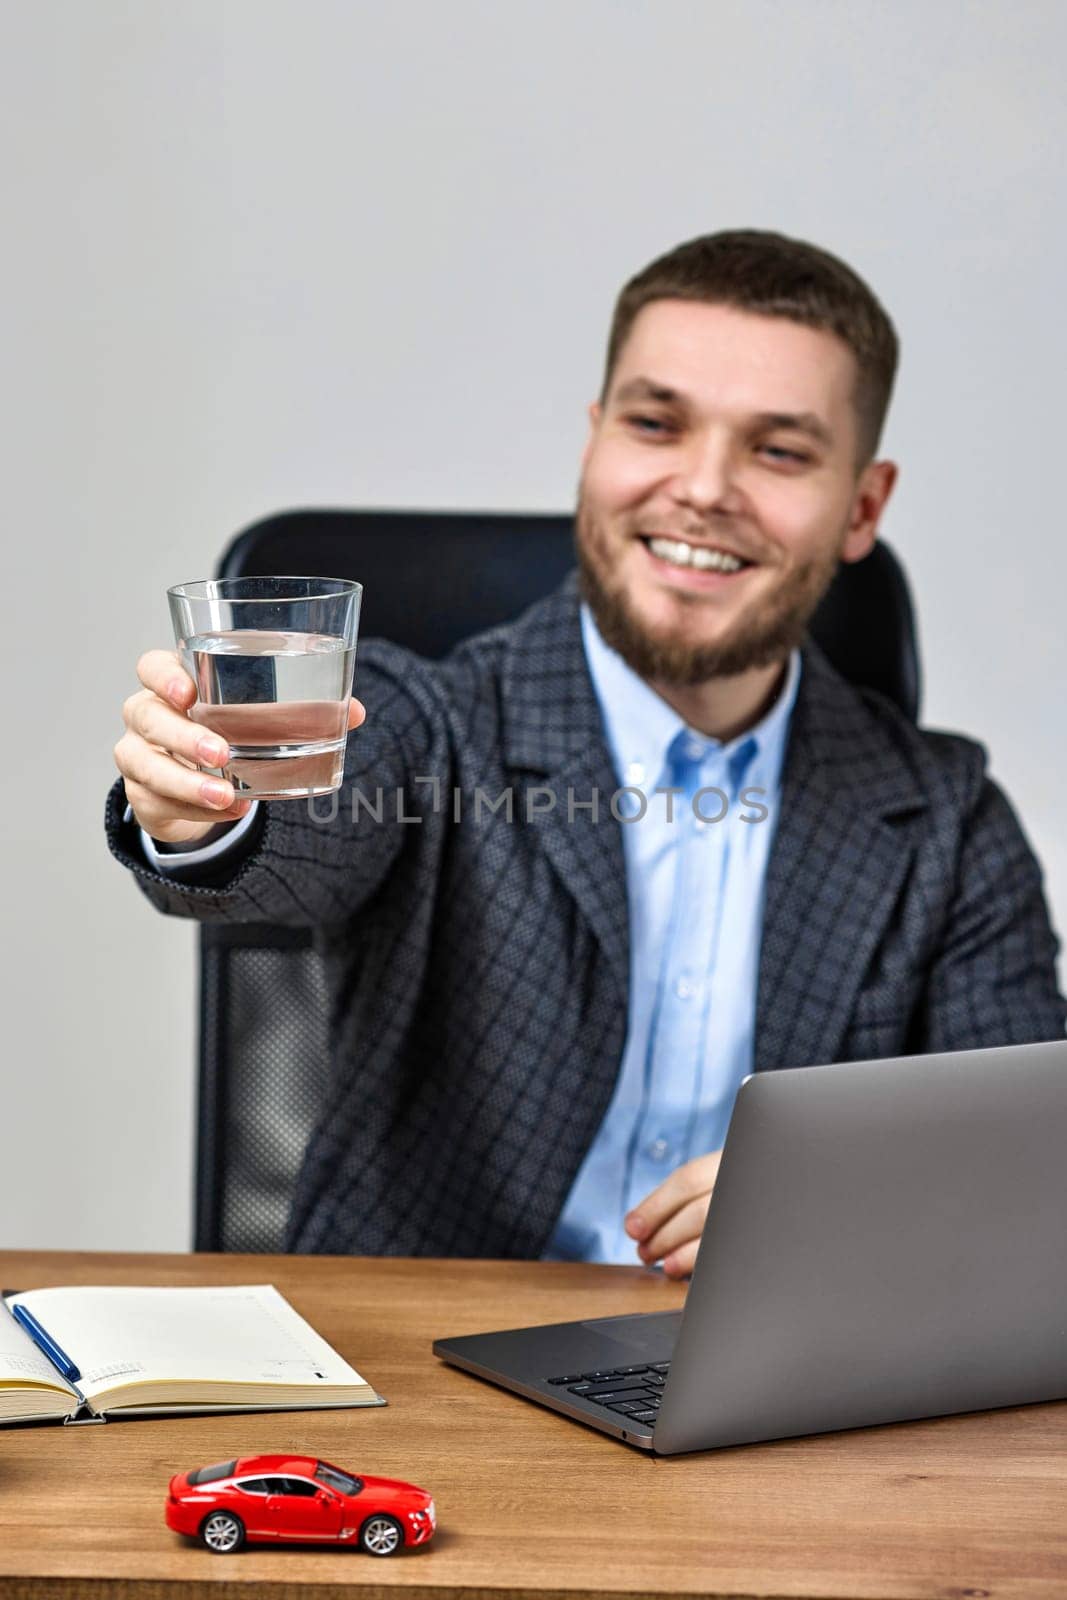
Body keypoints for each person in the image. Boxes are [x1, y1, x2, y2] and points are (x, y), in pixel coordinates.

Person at [107, 229, 1067, 1272]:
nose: (703, 488)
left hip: (774, 1390)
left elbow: (1027, 1159)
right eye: (655, 424)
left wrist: (846, 1205)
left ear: (861, 506)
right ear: (594, 441)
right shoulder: (426, 720)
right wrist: (209, 814)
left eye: (778, 450)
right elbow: (302, 821)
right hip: (419, 1379)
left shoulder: (948, 821)